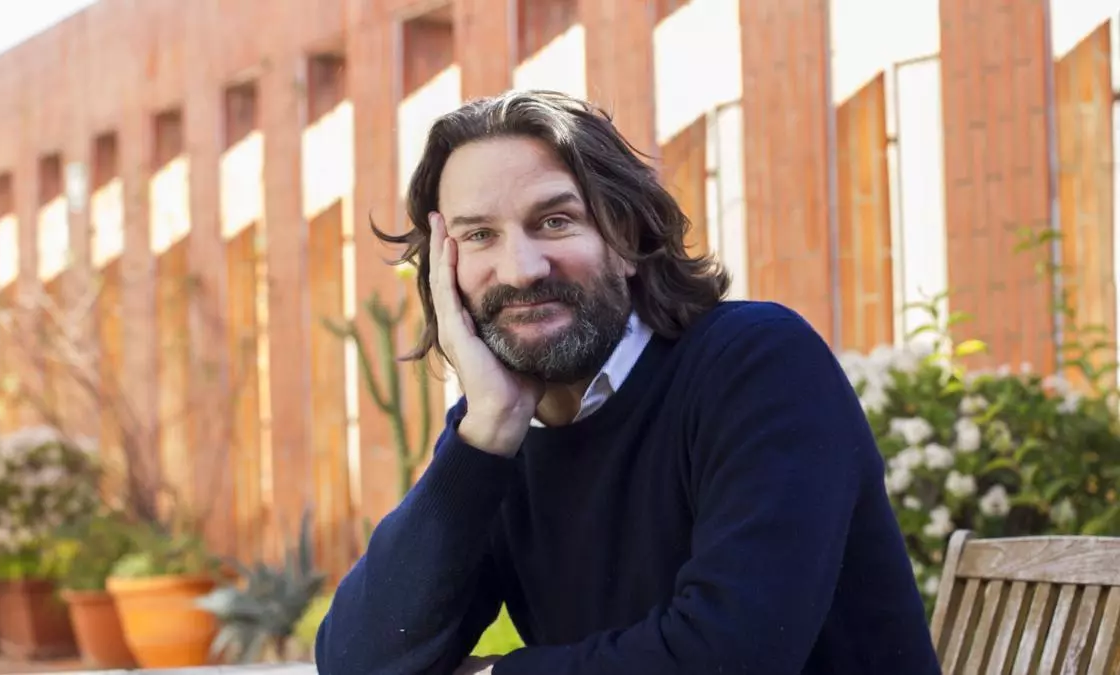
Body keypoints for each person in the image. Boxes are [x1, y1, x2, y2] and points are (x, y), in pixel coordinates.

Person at [314, 90, 940, 675]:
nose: (522, 269)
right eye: (479, 235)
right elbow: (360, 662)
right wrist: (485, 434)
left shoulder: (759, 364)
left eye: (555, 221)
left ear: (626, 236)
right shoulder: (498, 427)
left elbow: (733, 654)